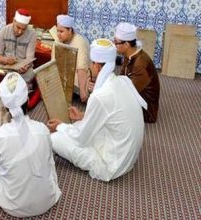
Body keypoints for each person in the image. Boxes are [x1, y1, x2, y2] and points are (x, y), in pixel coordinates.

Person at [47, 38, 147, 181]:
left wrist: (60, 126)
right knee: (76, 126)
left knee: (55, 138)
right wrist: (83, 116)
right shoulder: (122, 81)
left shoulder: (100, 96)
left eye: (91, 63)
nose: (89, 67)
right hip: (127, 156)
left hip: (111, 166)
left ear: (98, 67)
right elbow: (110, 115)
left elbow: (80, 139)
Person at [0, 72, 61, 217]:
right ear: (28, 100)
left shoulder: (0, 136)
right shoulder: (43, 130)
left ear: (6, 108)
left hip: (14, 207)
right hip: (48, 200)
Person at [114, 22, 160, 123]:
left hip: (147, 111)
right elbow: (121, 78)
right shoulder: (130, 54)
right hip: (133, 95)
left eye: (116, 42)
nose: (114, 45)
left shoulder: (140, 63)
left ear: (126, 44)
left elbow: (128, 93)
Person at [52, 15, 90, 102]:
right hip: (64, 72)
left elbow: (82, 69)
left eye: (61, 31)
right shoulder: (57, 41)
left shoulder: (80, 42)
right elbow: (53, 64)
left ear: (70, 30)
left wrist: (82, 92)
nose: (58, 34)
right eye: (57, 31)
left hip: (79, 74)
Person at [0, 9, 37, 82]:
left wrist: (25, 66)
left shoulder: (32, 34)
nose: (20, 32)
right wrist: (6, 60)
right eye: (18, 27)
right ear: (14, 21)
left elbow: (29, 58)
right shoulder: (4, 31)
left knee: (30, 74)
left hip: (23, 69)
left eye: (23, 29)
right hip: (6, 66)